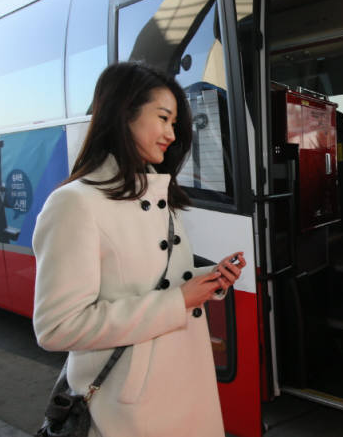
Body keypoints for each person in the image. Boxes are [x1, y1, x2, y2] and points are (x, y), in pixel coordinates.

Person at [32, 62, 246, 437]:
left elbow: (154, 282)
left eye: (175, 122)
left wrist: (206, 279)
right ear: (124, 114)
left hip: (182, 389)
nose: (171, 132)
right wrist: (177, 301)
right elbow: (56, 327)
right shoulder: (74, 204)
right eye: (163, 118)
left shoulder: (159, 193)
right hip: (128, 410)